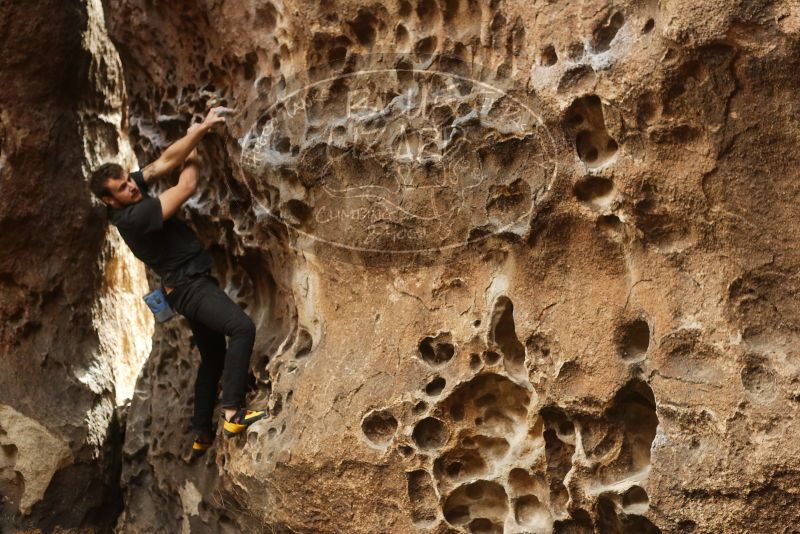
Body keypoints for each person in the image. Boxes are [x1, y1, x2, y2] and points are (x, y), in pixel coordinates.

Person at [89, 106, 266, 458]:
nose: (131, 186)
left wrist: (195, 132)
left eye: (129, 180)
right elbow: (185, 185)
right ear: (111, 201)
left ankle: (202, 431)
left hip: (185, 287)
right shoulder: (135, 218)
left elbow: (164, 165)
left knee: (213, 356)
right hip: (190, 289)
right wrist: (201, 135)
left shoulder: (130, 196)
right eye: (123, 188)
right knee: (242, 328)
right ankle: (232, 413)